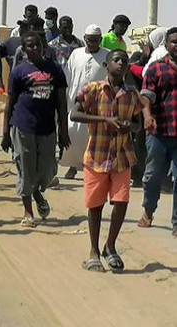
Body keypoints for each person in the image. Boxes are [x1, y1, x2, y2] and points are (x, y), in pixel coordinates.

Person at [70, 49, 142, 272]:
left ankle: (110, 246)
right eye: (116, 60)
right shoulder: (93, 89)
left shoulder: (131, 94)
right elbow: (75, 114)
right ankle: (94, 251)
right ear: (107, 65)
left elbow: (138, 123)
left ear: (128, 68)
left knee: (121, 202)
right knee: (96, 205)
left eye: (124, 61)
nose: (120, 63)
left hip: (122, 155)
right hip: (97, 156)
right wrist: (106, 120)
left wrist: (128, 126)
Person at [1, 31, 70, 228]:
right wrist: (6, 133)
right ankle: (28, 212)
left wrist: (63, 131)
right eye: (30, 46)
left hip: (47, 127)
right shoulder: (19, 71)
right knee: (25, 168)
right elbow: (9, 103)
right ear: (24, 49)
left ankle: (37, 192)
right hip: (23, 126)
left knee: (47, 170)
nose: (34, 48)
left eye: (37, 45)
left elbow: (62, 103)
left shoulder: (55, 69)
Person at [138, 27, 177, 238]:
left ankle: (176, 223)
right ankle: (148, 210)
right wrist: (147, 117)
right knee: (152, 176)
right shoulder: (156, 68)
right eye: (174, 42)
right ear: (167, 45)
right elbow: (146, 97)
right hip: (158, 131)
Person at [59, 25, 109, 180]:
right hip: (76, 101)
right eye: (89, 40)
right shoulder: (76, 53)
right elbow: (68, 76)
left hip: (98, 104)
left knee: (93, 138)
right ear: (85, 39)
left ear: (100, 39)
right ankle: (73, 166)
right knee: (74, 134)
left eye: (95, 40)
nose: (92, 43)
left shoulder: (107, 55)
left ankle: (90, 169)